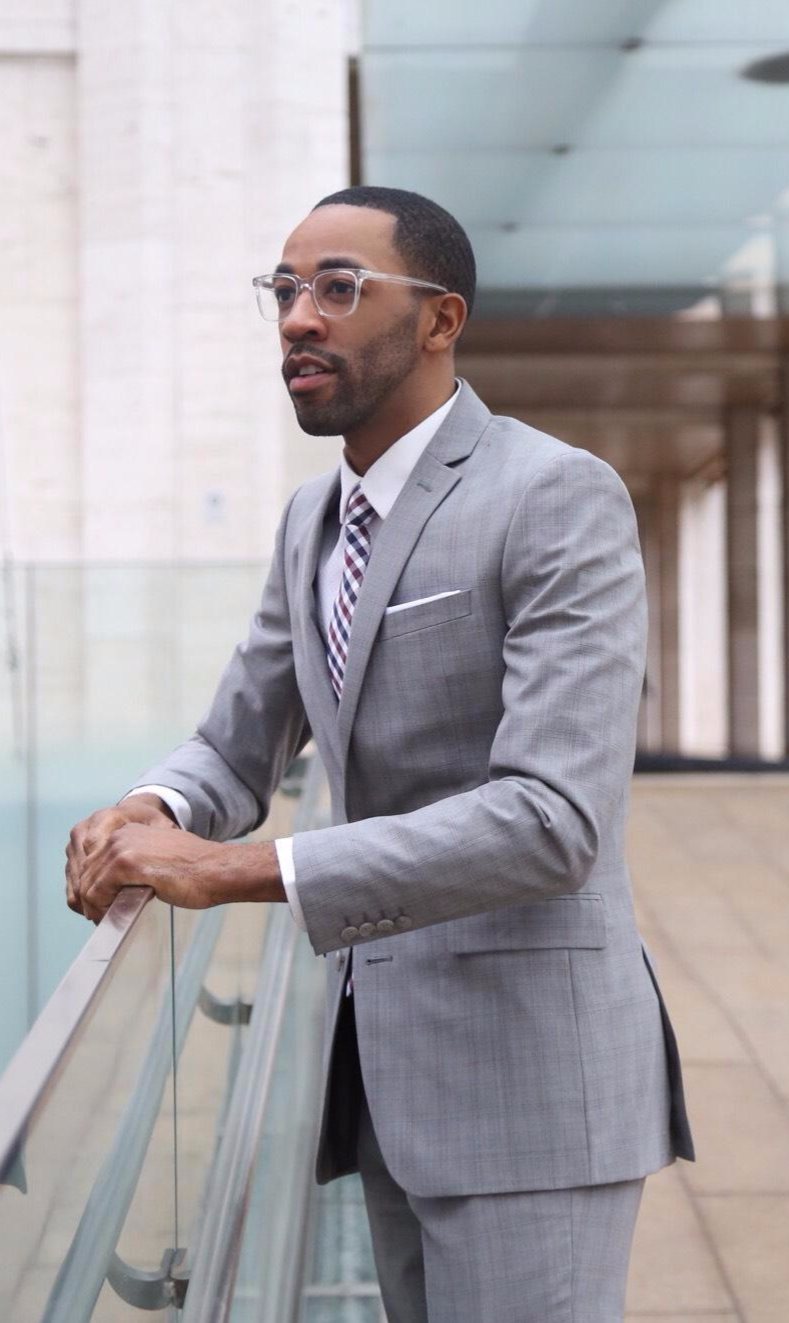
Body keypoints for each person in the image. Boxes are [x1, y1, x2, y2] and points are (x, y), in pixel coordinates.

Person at [64, 185, 693, 1322]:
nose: (299, 318)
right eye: (284, 290)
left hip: (528, 1082)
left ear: (441, 319)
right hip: (385, 1076)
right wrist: (153, 808)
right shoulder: (313, 520)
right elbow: (236, 744)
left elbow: (553, 819)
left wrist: (235, 870)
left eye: (339, 288)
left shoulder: (553, 495)